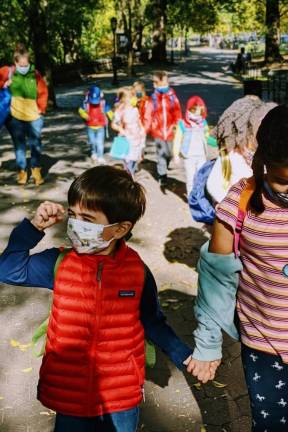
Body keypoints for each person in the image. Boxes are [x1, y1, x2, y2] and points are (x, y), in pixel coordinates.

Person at [0, 165, 194, 432]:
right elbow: (8, 270)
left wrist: (185, 357)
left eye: (87, 219)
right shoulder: (59, 263)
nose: (76, 225)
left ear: (120, 228)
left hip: (120, 396)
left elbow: (152, 321)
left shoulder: (136, 271)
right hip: (69, 395)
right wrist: (34, 228)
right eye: (73, 214)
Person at [189, 105, 288, 431]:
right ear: (263, 162)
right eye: (281, 181)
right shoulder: (241, 199)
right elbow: (215, 276)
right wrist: (207, 343)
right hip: (265, 348)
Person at [0, 43, 48, 185]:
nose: (24, 67)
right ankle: (22, 171)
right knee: (19, 145)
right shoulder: (6, 71)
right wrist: (3, 84)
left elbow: (43, 92)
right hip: (14, 116)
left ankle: (35, 170)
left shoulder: (35, 73)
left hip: (34, 116)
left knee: (36, 143)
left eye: (26, 64)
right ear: (15, 62)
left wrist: (42, 109)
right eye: (21, 65)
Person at [147, 71, 182, 186]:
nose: (155, 85)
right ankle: (162, 175)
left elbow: (177, 111)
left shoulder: (172, 97)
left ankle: (165, 165)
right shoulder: (153, 98)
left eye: (158, 83)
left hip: (171, 130)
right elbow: (149, 113)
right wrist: (149, 126)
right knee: (161, 153)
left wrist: (179, 124)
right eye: (155, 83)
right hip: (158, 131)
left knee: (170, 153)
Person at [173, 96, 209, 196]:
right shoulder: (183, 124)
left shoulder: (203, 122)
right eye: (195, 111)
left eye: (200, 112)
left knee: (201, 177)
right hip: (188, 156)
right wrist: (176, 155)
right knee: (190, 178)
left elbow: (207, 137)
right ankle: (191, 198)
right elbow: (177, 140)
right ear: (190, 110)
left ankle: (200, 196)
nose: (197, 115)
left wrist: (218, 142)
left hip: (202, 155)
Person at [111, 87, 145, 176]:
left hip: (137, 138)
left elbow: (138, 121)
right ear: (124, 99)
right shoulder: (120, 111)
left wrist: (142, 129)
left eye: (134, 95)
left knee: (134, 160)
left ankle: (131, 174)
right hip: (127, 140)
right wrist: (121, 130)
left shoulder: (135, 108)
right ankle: (130, 178)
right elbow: (113, 124)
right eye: (131, 96)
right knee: (128, 162)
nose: (134, 98)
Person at [79, 85, 112, 165]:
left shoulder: (103, 103)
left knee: (100, 142)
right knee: (92, 141)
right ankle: (93, 152)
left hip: (101, 126)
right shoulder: (86, 103)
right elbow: (80, 110)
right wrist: (84, 115)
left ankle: (100, 156)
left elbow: (109, 111)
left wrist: (113, 118)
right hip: (90, 126)